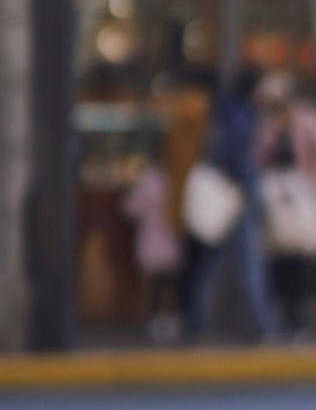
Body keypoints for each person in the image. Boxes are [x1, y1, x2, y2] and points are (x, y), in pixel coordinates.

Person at [179, 64, 280, 343]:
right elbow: (236, 156)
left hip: (223, 194)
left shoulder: (226, 111)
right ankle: (258, 326)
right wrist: (245, 188)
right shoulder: (239, 114)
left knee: (209, 260)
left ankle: (199, 321)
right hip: (233, 196)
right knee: (245, 262)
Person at [254, 70, 316, 337]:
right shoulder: (270, 128)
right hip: (280, 205)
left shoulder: (309, 120)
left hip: (311, 200)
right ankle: (292, 317)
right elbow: (260, 159)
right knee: (286, 260)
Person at [120, 129, 182, 343]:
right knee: (169, 285)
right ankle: (170, 321)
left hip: (150, 240)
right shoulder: (173, 180)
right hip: (170, 240)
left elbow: (129, 209)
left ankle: (155, 323)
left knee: (153, 286)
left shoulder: (146, 181)